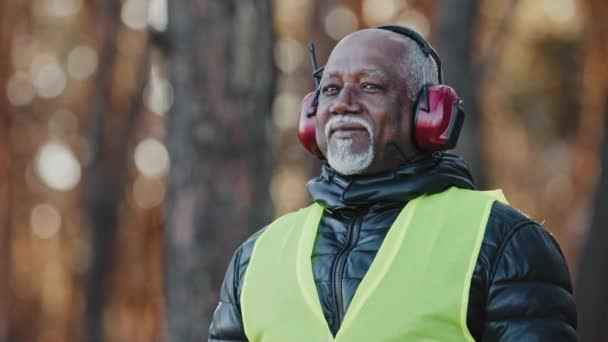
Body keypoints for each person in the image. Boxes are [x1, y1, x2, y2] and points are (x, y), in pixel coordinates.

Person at [208, 26, 577, 341]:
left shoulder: (504, 243)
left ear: (430, 113)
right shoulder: (254, 259)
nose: (343, 104)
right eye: (331, 89)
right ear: (311, 113)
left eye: (369, 86)